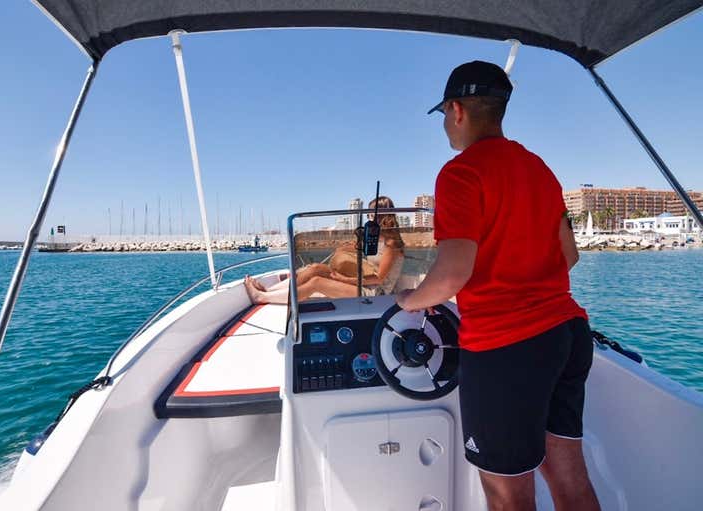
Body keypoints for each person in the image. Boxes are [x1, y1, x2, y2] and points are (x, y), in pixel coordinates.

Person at [396, 61, 600, 511]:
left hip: (507, 348)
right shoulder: (539, 169)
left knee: (508, 496)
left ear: (456, 110)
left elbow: (451, 276)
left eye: (444, 115)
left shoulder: (461, 173)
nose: (445, 126)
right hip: (567, 335)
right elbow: (569, 256)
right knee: (569, 476)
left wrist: (411, 299)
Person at [245, 197, 404, 304]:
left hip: (376, 293)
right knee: (316, 269)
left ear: (382, 216)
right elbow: (361, 253)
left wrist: (345, 279)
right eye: (369, 214)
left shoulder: (392, 244)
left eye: (371, 214)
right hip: (365, 282)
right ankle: (269, 291)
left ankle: (262, 297)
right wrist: (345, 247)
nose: (369, 218)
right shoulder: (377, 239)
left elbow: (378, 279)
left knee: (316, 283)